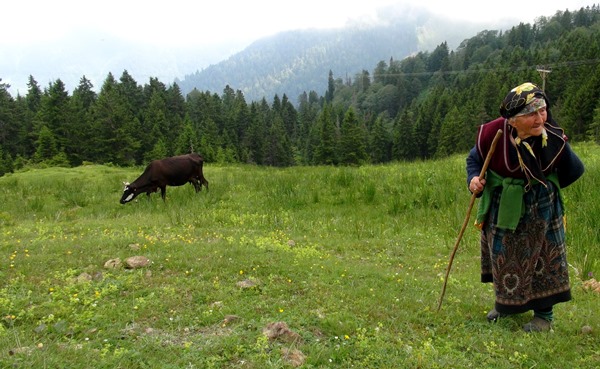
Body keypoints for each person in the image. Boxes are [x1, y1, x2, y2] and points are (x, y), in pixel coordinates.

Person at [466, 82, 585, 332]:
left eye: (542, 111)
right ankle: (506, 306)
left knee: (542, 257)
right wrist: (474, 180)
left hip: (540, 208)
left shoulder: (551, 137)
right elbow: (474, 160)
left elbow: (574, 170)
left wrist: (546, 188)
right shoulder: (492, 134)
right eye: (531, 114)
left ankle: (544, 316)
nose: (539, 118)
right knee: (503, 256)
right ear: (513, 120)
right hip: (503, 206)